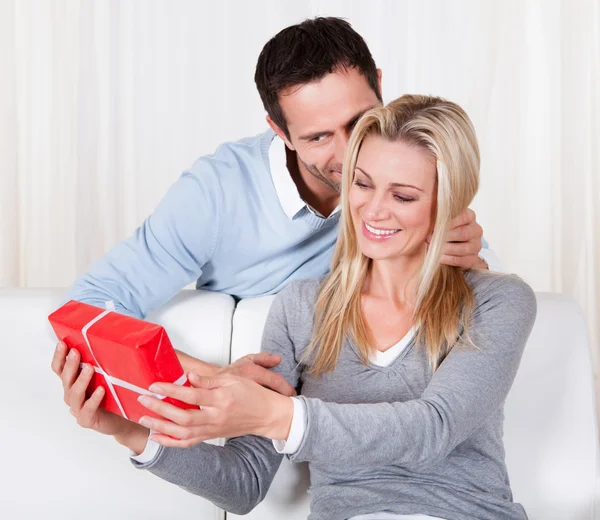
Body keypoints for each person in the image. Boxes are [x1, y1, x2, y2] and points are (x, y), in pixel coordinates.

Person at [54, 95, 536, 520]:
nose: (373, 210)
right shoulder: (301, 307)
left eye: (404, 195)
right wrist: (130, 431)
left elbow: (432, 428)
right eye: (362, 184)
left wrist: (277, 414)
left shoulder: (498, 301)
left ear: (449, 203)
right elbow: (241, 484)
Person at [55, 17, 498, 397]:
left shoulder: (413, 168)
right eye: (318, 137)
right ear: (280, 131)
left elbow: (490, 312)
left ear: (379, 86)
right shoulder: (216, 192)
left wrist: (471, 260)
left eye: (357, 122)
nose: (350, 157)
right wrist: (214, 378)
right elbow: (87, 308)